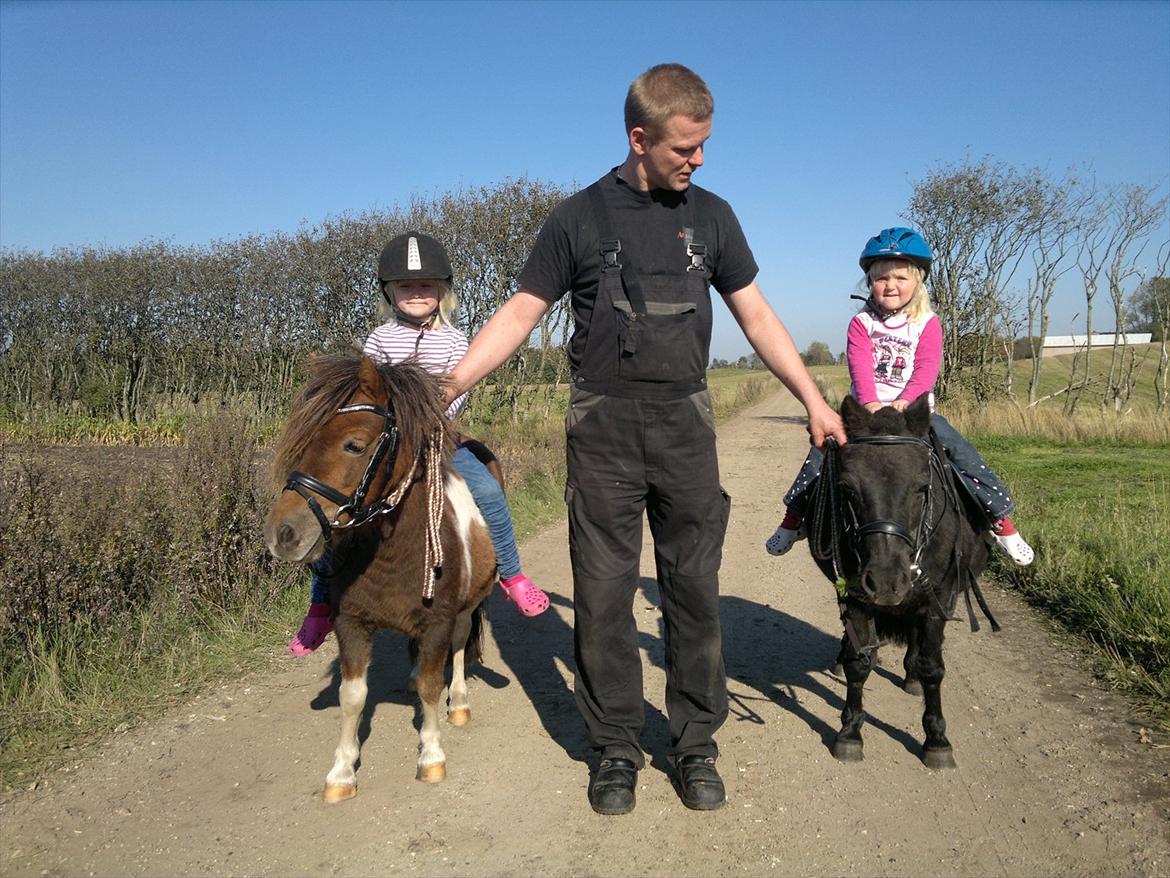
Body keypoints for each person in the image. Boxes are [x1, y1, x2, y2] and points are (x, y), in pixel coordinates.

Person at [445, 64, 845, 815]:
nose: (699, 161)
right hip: (603, 431)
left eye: (704, 147)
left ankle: (695, 744)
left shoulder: (716, 217)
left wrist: (814, 400)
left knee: (693, 594)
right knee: (600, 600)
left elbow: (757, 317)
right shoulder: (577, 219)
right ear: (640, 138)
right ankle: (616, 748)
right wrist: (448, 387)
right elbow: (519, 313)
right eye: (686, 148)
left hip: (687, 430)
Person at [288, 232, 550, 656]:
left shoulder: (454, 339)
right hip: (388, 444)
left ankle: (512, 576)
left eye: (426, 285)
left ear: (442, 291)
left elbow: (460, 384)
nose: (416, 293)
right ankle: (321, 604)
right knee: (337, 508)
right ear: (389, 292)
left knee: (486, 490)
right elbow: (366, 389)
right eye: (406, 286)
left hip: (440, 435)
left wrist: (434, 415)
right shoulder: (378, 340)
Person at [764, 226, 1035, 566]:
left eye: (900, 278)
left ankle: (1000, 520)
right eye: (881, 278)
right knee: (822, 453)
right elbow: (860, 367)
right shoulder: (862, 324)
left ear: (918, 281)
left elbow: (926, 368)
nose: (890, 285)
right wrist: (872, 403)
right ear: (870, 284)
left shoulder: (927, 323)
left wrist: (907, 401)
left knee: (962, 453)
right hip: (867, 413)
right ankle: (794, 518)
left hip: (916, 414)